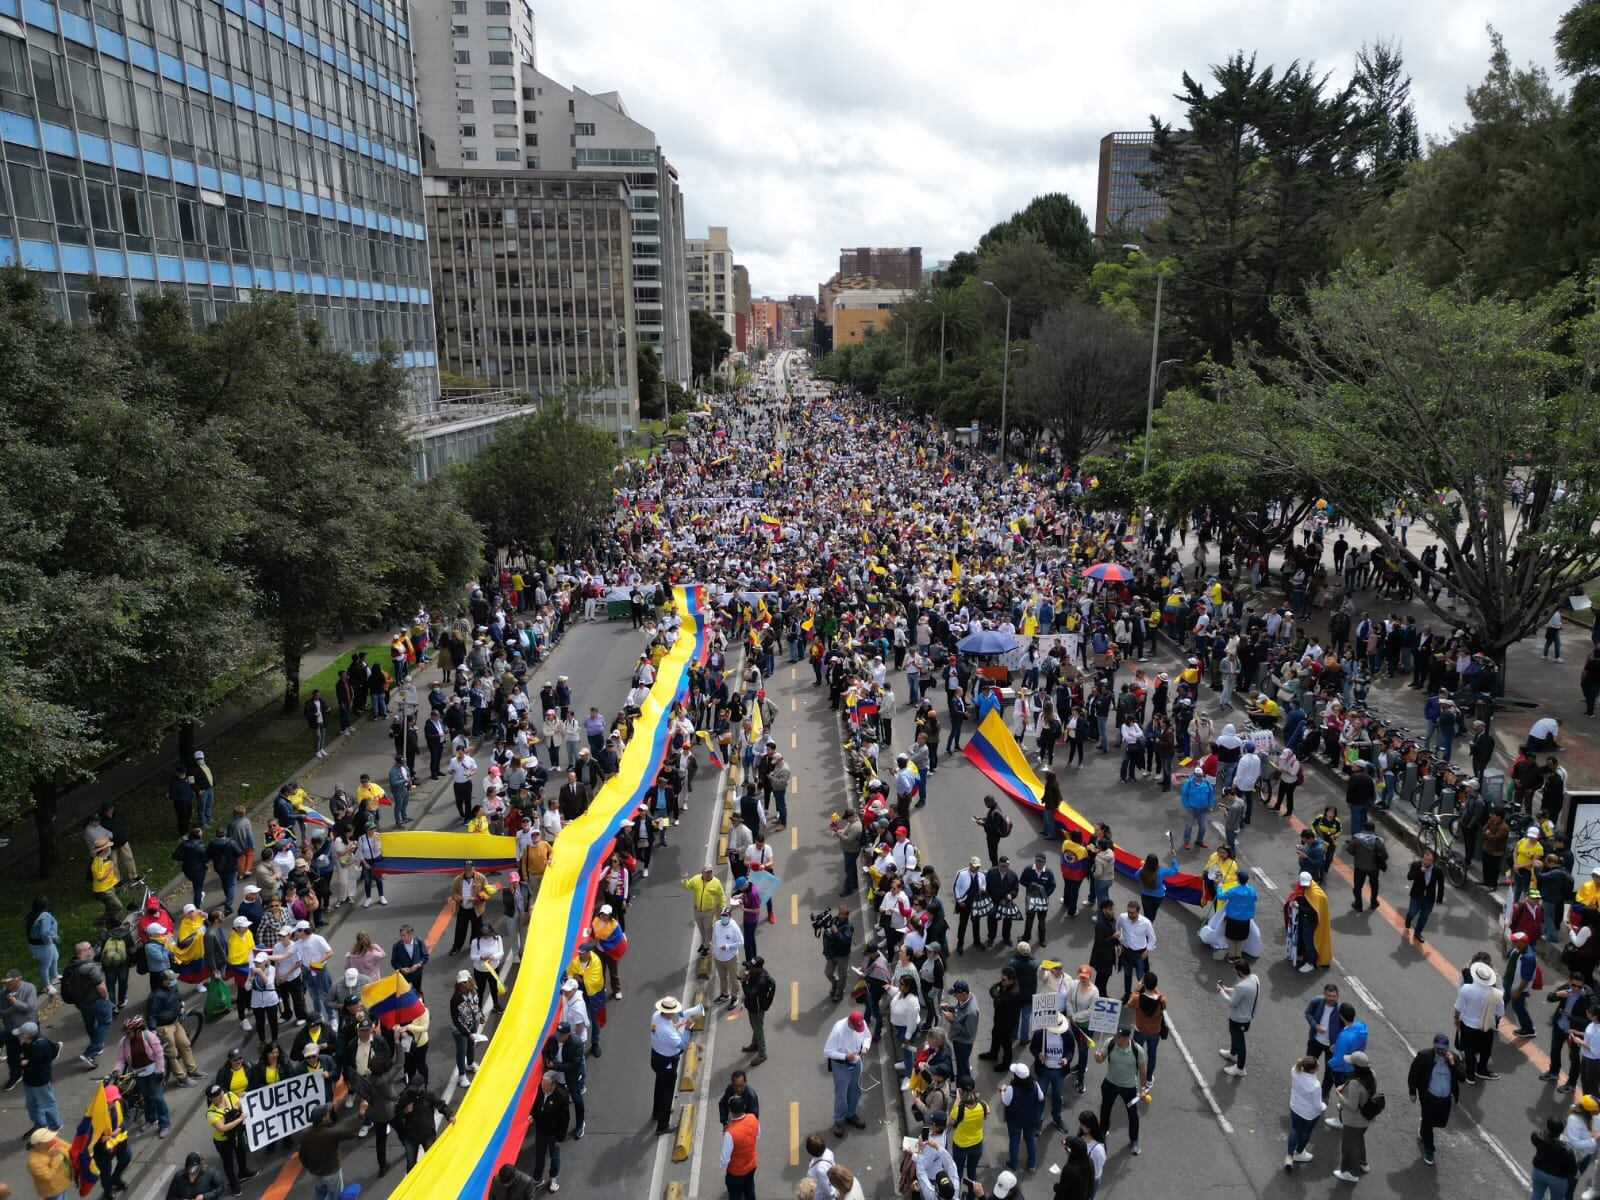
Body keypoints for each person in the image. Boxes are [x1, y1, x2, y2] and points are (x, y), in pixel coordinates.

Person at [1406, 1034, 1462, 1166]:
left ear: (1447, 1048)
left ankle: (1424, 1127)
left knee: (1442, 1122)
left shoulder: (1454, 1058)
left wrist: (1452, 1064)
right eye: (1438, 1049)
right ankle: (1429, 1149)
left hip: (1445, 1099)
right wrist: (1412, 1091)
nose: (1441, 1052)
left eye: (1443, 1049)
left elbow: (1462, 1077)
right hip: (1429, 1097)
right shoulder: (1425, 1056)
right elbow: (1413, 1073)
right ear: (1434, 1046)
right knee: (1428, 1124)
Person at [651, 996, 703, 1134]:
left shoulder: (656, 1016)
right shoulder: (667, 1031)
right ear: (667, 1012)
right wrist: (686, 1028)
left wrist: (677, 1026)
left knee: (659, 1085)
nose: (674, 1013)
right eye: (673, 1011)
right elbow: (683, 1044)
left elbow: (668, 1029)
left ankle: (657, 1112)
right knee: (667, 1092)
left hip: (656, 1057)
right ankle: (663, 1125)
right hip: (667, 1062)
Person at [297, 1100, 369, 1200]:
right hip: (332, 1173)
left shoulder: (304, 1134)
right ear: (323, 1118)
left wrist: (310, 1167)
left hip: (316, 1174)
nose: (329, 1113)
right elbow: (351, 1133)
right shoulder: (331, 1133)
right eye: (327, 1113)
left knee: (320, 1192)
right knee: (336, 1195)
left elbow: (302, 1156)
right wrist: (361, 1113)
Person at [113, 1016, 170, 1138]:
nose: (127, 1034)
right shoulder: (124, 1042)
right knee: (147, 1098)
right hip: (138, 1074)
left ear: (138, 1029)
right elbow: (120, 1059)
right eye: (126, 1032)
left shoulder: (149, 1036)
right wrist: (116, 1070)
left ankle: (164, 1124)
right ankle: (151, 1119)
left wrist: (160, 1069)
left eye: (130, 1032)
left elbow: (159, 1053)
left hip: (153, 1072)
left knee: (158, 1098)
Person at [1093, 1025, 1147, 1154]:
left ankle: (1134, 1140)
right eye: (1116, 1035)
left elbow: (1142, 1069)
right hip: (1110, 1083)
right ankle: (1103, 1131)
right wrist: (1098, 1058)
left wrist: (1143, 1088)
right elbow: (1101, 1059)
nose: (1116, 1038)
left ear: (1127, 1038)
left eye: (1119, 1037)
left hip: (1129, 1087)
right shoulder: (1110, 1043)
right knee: (1105, 1109)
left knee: (1133, 1115)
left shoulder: (1137, 1050)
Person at [1330, 1050, 1377, 1183]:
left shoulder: (1356, 1084)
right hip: (1366, 1119)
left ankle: (1350, 1172)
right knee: (1358, 1141)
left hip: (1354, 1121)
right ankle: (1363, 1163)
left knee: (1349, 1147)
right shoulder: (1372, 1074)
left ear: (1356, 1067)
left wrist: (1339, 1094)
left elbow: (1352, 1106)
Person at [1455, 960, 1505, 1083]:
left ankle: (1470, 1076)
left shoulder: (1466, 989)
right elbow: (1500, 1013)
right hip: (1486, 1027)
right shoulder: (1497, 994)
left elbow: (1458, 1008)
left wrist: (1456, 1018)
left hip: (1468, 1025)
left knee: (1469, 1051)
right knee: (1486, 1050)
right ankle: (1482, 1070)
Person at [824, 1010, 872, 1137]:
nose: (858, 1030)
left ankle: (851, 1114)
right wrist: (845, 1056)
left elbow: (867, 1036)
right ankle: (838, 1121)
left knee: (856, 1091)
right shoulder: (838, 1030)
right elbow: (828, 1051)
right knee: (841, 1095)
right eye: (856, 1028)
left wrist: (865, 1046)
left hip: (856, 1061)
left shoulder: (861, 1023)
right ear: (850, 1023)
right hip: (841, 1065)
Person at [204, 1083, 254, 1195]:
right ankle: (234, 1184)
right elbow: (223, 1128)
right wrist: (240, 1119)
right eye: (217, 1095)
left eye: (221, 1092)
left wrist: (244, 1101)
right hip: (223, 1141)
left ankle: (243, 1172)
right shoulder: (211, 1113)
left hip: (237, 1134)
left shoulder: (230, 1095)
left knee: (241, 1153)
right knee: (228, 1163)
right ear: (211, 1099)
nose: (221, 1096)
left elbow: (241, 1106)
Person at [394, 1073, 452, 1171]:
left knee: (433, 1160)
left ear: (422, 1086)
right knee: (411, 1165)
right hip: (411, 1136)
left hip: (427, 1134)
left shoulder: (429, 1093)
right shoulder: (405, 1095)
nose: (413, 1090)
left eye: (416, 1087)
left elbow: (440, 1105)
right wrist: (404, 1111)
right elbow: (396, 1114)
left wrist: (449, 1115)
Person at [528, 1071, 570, 1192]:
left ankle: (553, 1178)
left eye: (545, 1085)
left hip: (553, 1135)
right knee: (539, 1155)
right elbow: (537, 1103)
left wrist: (560, 1138)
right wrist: (533, 1115)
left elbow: (565, 1119)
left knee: (554, 1157)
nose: (542, 1087)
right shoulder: (541, 1089)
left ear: (553, 1085)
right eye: (542, 1084)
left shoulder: (561, 1097)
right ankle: (538, 1178)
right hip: (541, 1131)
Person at [1217, 959, 1259, 1077]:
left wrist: (1221, 991)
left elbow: (1232, 1002)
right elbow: (1241, 992)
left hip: (1238, 1018)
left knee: (1240, 1042)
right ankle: (1232, 1053)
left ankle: (1240, 1068)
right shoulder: (1254, 978)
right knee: (1234, 1034)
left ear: (1240, 972)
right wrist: (1228, 989)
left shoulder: (1242, 986)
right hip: (1247, 1016)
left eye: (1236, 971)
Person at [1000, 1062, 1045, 1172]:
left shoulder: (1011, 1089)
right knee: (1030, 1140)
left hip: (1015, 1120)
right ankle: (1032, 1164)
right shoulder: (1035, 1085)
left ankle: (1013, 1164)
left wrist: (1002, 1091)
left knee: (1014, 1141)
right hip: (1031, 1119)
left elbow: (1005, 1102)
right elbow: (1041, 1098)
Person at [1284, 1055, 1325, 1170]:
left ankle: (1289, 1156)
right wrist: (1324, 1106)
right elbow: (1317, 1105)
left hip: (1295, 1107)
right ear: (1313, 1069)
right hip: (1309, 1113)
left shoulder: (1295, 1071)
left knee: (1295, 1129)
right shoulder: (1315, 1085)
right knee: (1306, 1132)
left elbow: (1296, 1065)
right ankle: (1299, 1153)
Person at [1286, 872, 1332, 972]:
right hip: (1303, 919)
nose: (1304, 887)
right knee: (1301, 938)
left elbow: (1312, 912)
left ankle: (1310, 963)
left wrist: (1298, 906)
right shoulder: (1307, 888)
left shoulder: (1316, 894)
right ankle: (1301, 955)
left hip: (1309, 921)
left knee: (1309, 942)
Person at [720, 1093, 760, 1200]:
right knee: (750, 1190)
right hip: (751, 1165)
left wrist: (724, 1169)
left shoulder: (730, 1133)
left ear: (730, 1110)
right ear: (745, 1107)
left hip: (736, 1172)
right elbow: (758, 1135)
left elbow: (725, 1158)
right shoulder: (753, 1118)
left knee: (735, 1195)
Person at [1530, 1116, 1579, 1200]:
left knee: (1535, 1196)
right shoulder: (1567, 1150)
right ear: (1561, 1131)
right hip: (1558, 1179)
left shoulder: (1538, 1137)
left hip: (1538, 1172)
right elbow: (1572, 1171)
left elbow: (1538, 1135)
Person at [739, 956, 776, 1066]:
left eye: (751, 967)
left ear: (758, 968)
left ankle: (762, 1053)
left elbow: (751, 994)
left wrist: (744, 983)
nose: (749, 969)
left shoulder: (762, 980)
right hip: (752, 1006)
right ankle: (755, 1044)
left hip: (757, 1008)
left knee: (758, 1029)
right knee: (755, 1026)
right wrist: (747, 975)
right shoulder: (756, 974)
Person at [1404, 851, 1447, 944]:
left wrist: (1439, 899)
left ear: (1433, 861)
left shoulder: (1438, 870)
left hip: (1429, 898)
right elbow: (1409, 877)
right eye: (1425, 860)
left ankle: (1418, 932)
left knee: (1424, 917)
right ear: (1422, 858)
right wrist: (1420, 871)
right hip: (1416, 896)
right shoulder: (1416, 865)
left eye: (1430, 860)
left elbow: (1441, 885)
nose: (1427, 862)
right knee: (1412, 913)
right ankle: (1408, 920)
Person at [683, 867, 727, 957]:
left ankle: (707, 947)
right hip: (697, 910)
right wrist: (684, 881)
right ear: (702, 872)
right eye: (707, 872)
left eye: (710, 872)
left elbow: (721, 895)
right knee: (701, 928)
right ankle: (704, 943)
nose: (708, 874)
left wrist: (723, 906)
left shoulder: (716, 883)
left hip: (709, 911)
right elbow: (688, 886)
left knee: (708, 929)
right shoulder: (696, 879)